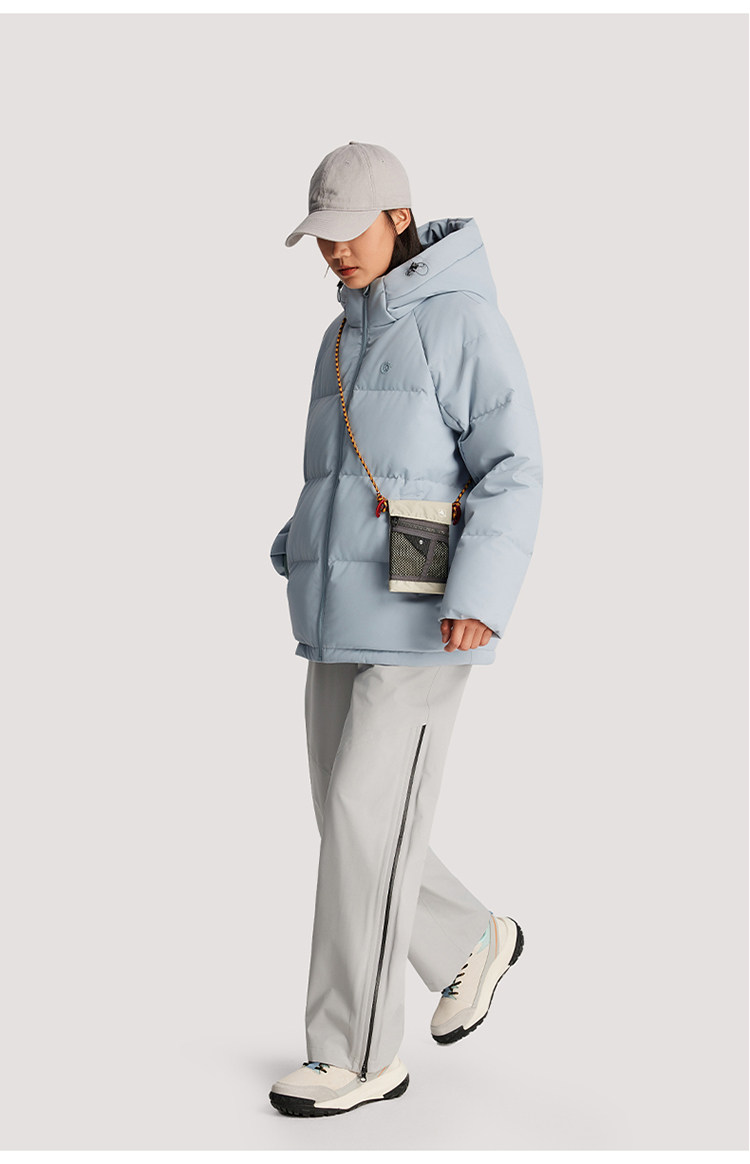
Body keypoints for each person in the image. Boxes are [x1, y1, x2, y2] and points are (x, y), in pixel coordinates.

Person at [267, 141, 543, 1118]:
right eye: (321, 236)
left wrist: (481, 593)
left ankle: (354, 1054)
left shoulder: (461, 322)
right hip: (337, 609)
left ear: (397, 218)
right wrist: (301, 543)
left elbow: (513, 465)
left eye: (350, 232)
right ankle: (471, 941)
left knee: (361, 819)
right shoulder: (338, 339)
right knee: (349, 822)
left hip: (427, 620)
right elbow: (341, 475)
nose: (335, 251)